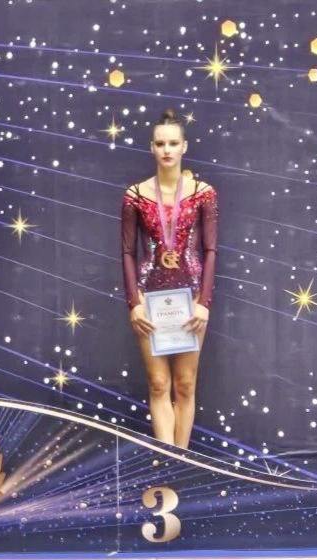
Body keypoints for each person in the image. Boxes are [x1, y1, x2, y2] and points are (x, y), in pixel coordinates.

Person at [121, 108, 218, 449]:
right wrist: (133, 303)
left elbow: (211, 250)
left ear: (184, 147)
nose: (166, 150)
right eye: (160, 143)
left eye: (173, 143)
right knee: (159, 383)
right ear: (151, 147)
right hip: (150, 299)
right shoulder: (135, 195)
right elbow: (128, 252)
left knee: (185, 384)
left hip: (192, 298)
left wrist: (204, 303)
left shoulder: (203, 192)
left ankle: (182, 460)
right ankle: (164, 461)